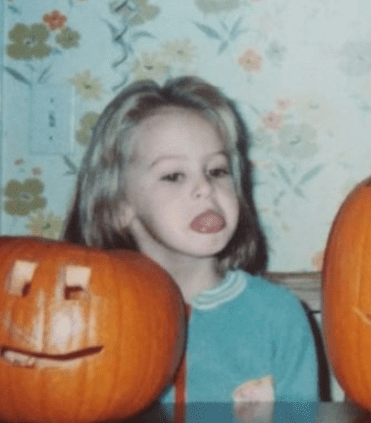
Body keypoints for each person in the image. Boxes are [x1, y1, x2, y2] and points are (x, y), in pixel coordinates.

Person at [63, 76, 319, 404]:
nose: (205, 188)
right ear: (118, 206)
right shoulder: (89, 315)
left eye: (217, 171)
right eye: (174, 176)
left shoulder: (278, 316)